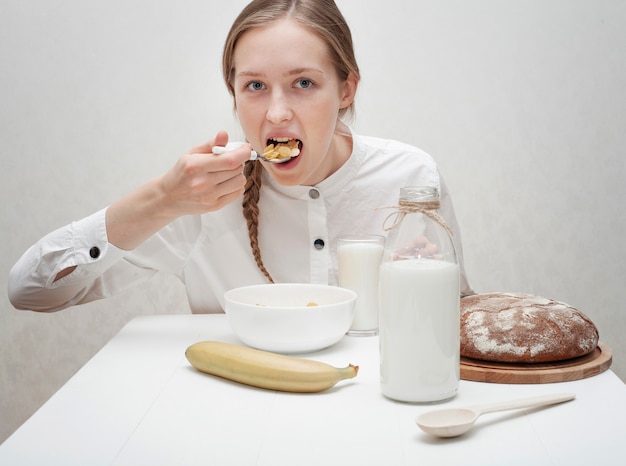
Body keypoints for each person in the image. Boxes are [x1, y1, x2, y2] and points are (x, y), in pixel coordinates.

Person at [8, 0, 472, 314]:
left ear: (346, 88)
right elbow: (30, 291)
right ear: (234, 92)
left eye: (303, 83)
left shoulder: (411, 177)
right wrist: (161, 201)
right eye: (254, 86)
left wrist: (422, 289)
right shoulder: (203, 197)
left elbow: (457, 318)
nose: (276, 113)